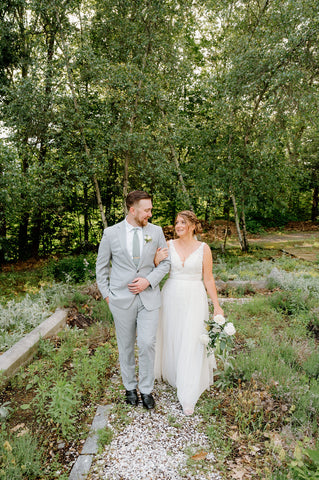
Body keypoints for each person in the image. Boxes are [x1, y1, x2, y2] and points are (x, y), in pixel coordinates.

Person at [96, 191, 170, 410]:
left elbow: (166, 263)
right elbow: (101, 268)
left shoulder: (156, 231)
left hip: (148, 298)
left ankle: (146, 390)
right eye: (146, 210)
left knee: (147, 343)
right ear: (132, 210)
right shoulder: (110, 233)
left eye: (150, 209)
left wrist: (148, 281)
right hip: (121, 299)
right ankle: (129, 387)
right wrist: (108, 296)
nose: (150, 213)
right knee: (126, 346)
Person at [154, 210, 224, 416]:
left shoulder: (204, 248)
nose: (178, 226)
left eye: (183, 222)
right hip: (171, 297)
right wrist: (157, 260)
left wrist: (217, 305)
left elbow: (208, 279)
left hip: (195, 297)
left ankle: (188, 392)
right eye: (176, 222)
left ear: (193, 225)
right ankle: (175, 374)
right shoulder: (168, 245)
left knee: (192, 339)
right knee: (174, 336)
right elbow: (157, 271)